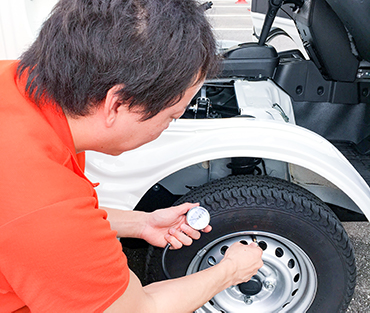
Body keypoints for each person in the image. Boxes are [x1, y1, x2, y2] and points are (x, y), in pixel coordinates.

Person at [0, 0, 263, 312]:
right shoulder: (43, 204)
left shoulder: (14, 80)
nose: (168, 126)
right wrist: (231, 270)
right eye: (172, 117)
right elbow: (138, 308)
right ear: (117, 104)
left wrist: (141, 223)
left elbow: (31, 225)